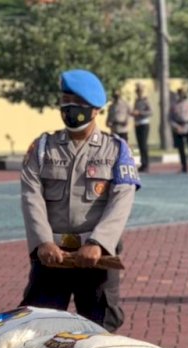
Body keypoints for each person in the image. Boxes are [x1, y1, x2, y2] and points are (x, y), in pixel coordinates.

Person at [19, 69, 140, 332]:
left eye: (79, 103)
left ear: (96, 109)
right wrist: (43, 242)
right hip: (52, 256)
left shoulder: (117, 150)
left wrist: (99, 243)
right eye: (66, 101)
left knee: (100, 328)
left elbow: (121, 201)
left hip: (96, 258)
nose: (71, 108)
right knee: (37, 328)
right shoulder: (42, 148)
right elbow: (31, 197)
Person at [132, 82, 152, 173]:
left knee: (144, 144)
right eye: (137, 91)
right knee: (140, 144)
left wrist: (140, 113)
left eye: (139, 91)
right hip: (137, 123)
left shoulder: (145, 100)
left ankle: (146, 163)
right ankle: (142, 163)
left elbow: (150, 112)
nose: (138, 92)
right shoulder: (136, 100)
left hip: (144, 123)